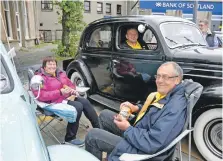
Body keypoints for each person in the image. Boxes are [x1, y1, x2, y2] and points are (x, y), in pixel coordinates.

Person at [85, 62, 188, 161]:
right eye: (158, 76)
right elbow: (154, 109)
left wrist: (127, 128)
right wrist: (136, 108)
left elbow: (151, 143)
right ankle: (109, 155)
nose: (159, 81)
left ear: (177, 80)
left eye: (165, 77)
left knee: (93, 136)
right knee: (104, 115)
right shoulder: (169, 94)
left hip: (143, 149)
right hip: (140, 132)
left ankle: (106, 148)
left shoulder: (174, 107)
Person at [32, 56, 99, 146]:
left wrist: (71, 90)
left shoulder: (60, 73)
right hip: (52, 102)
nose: (52, 66)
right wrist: (59, 92)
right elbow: (40, 96)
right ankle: (70, 138)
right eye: (49, 64)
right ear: (44, 67)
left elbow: (70, 84)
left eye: (54, 64)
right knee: (78, 106)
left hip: (65, 97)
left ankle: (99, 128)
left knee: (84, 102)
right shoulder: (38, 78)